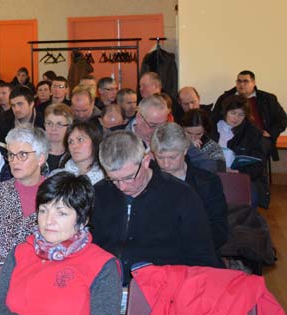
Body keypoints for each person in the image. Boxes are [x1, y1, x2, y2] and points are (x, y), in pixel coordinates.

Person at [0, 172, 121, 315]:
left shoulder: (102, 265)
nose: (48, 221)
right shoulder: (21, 252)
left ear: (83, 220)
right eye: (44, 210)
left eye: (61, 213)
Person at [91, 131, 221, 284]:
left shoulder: (181, 195)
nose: (122, 187)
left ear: (145, 161)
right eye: (113, 179)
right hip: (108, 284)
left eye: (129, 177)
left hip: (164, 287)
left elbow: (202, 257)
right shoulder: (100, 193)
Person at [0, 125, 48, 262]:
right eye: (11, 155)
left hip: (41, 274)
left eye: (23, 155)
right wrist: (8, 267)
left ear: (40, 158)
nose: (14, 161)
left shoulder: (56, 196)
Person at [151, 123, 228, 250]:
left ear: (185, 151)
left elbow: (219, 230)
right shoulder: (147, 181)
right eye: (159, 157)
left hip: (197, 251)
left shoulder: (208, 182)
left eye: (172, 157)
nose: (165, 164)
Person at [211, 70, 287, 160]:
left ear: (254, 83)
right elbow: (214, 118)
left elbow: (282, 119)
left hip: (259, 137)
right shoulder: (225, 98)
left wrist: (270, 132)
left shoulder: (267, 99)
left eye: (245, 81)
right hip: (231, 134)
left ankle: (252, 171)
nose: (241, 84)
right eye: (239, 81)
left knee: (256, 152)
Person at [215, 95, 269, 207]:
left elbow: (259, 163)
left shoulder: (253, 133)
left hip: (241, 176)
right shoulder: (212, 128)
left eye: (241, 114)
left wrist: (239, 172)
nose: (236, 118)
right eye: (233, 113)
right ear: (225, 112)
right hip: (215, 173)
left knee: (251, 198)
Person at [43, 103, 74, 171]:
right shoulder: (35, 152)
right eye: (49, 123)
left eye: (59, 124)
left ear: (68, 127)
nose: (53, 128)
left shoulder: (73, 154)